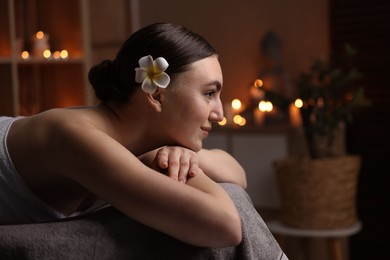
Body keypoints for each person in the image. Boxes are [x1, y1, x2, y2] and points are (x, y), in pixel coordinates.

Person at [0, 23, 247, 247]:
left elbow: (237, 175)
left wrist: (186, 156)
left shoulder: (143, 141)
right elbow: (226, 227)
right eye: (209, 93)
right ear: (157, 95)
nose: (218, 113)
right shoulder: (75, 135)